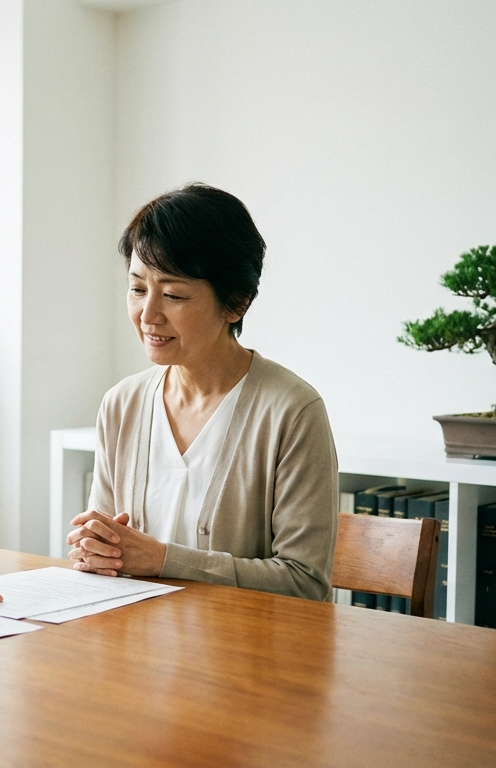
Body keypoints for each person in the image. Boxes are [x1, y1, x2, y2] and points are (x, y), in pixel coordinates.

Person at [67, 183, 337, 600]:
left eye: (173, 294)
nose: (148, 315)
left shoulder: (292, 411)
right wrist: (95, 551)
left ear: (236, 303)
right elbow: (106, 551)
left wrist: (162, 560)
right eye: (138, 289)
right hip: (133, 651)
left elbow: (305, 583)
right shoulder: (122, 404)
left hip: (242, 657)